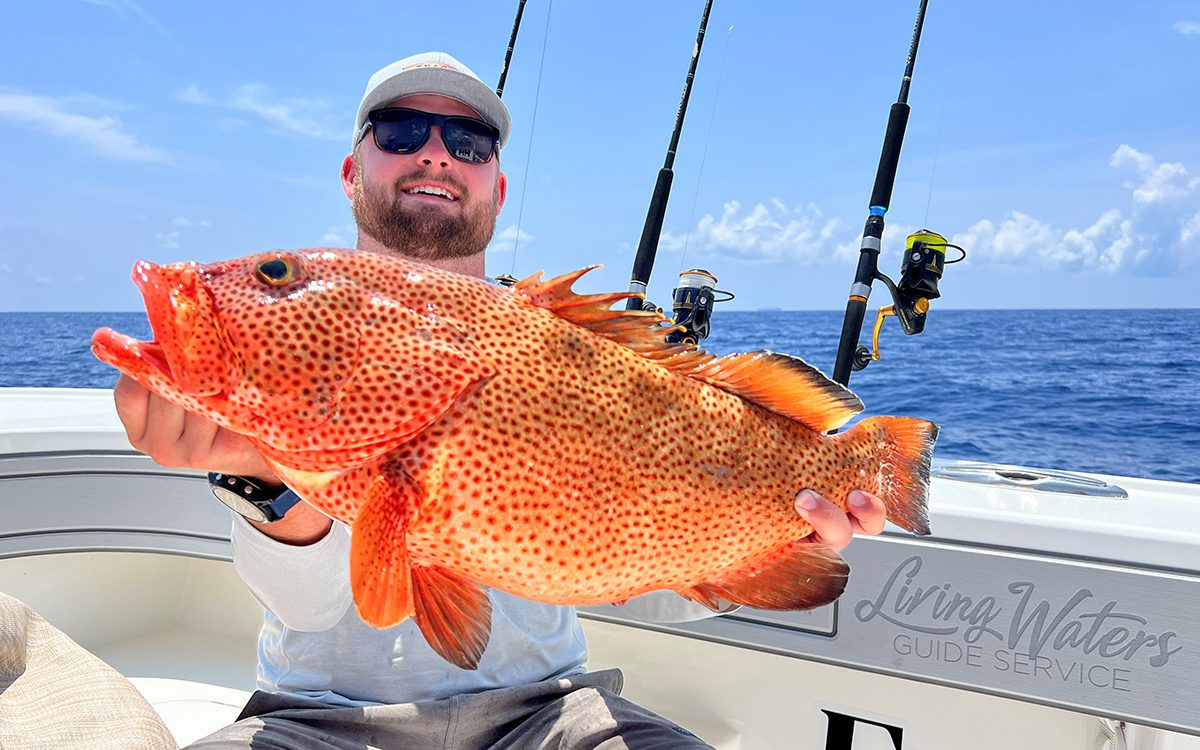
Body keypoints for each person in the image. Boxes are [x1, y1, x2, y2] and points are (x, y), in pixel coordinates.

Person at [113, 52, 889, 749]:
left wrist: (786, 538)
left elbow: (644, 586)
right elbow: (311, 610)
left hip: (550, 714)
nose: (433, 154)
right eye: (400, 130)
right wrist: (268, 481)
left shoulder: (556, 344)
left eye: (468, 144)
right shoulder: (304, 363)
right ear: (352, 171)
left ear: (496, 185)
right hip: (313, 720)